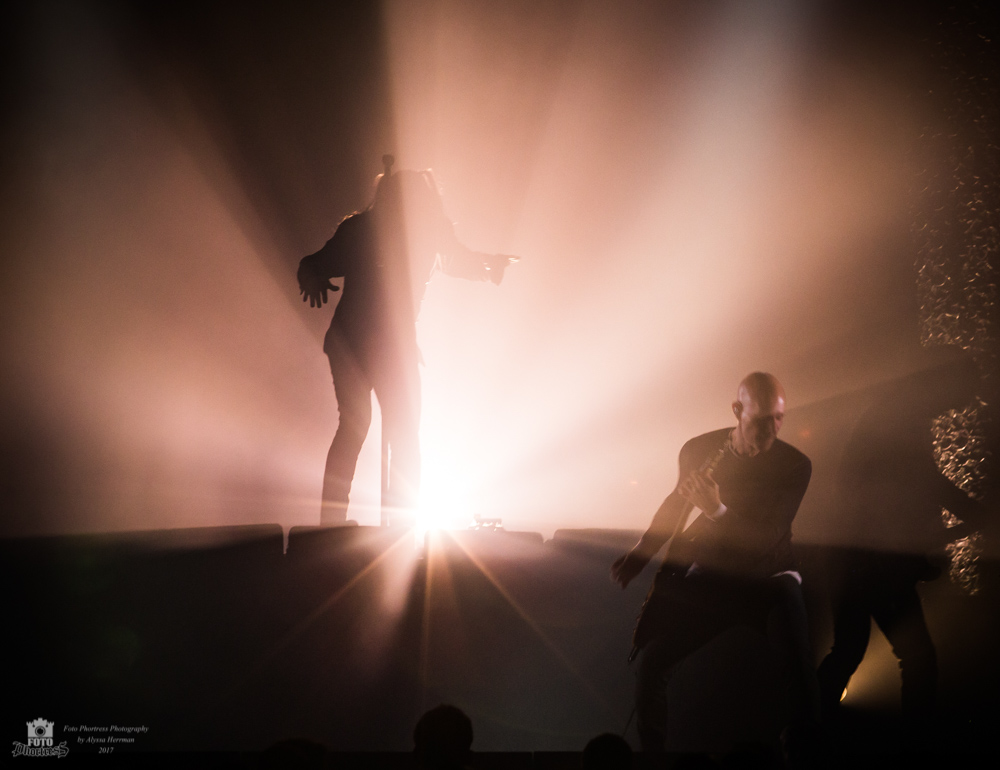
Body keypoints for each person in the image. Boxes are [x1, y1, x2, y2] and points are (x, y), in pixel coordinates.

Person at [298, 156, 516, 526]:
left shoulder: (416, 232)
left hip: (381, 345)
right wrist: (311, 276)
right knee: (375, 427)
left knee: (380, 428)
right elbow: (312, 263)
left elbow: (458, 260)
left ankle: (379, 524)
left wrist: (488, 265)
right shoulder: (367, 231)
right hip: (358, 343)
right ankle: (360, 524)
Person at [611, 373, 818, 754]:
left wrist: (716, 509)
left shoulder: (795, 465)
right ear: (737, 411)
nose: (771, 430)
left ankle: (802, 756)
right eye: (760, 421)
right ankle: (652, 762)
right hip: (716, 579)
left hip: (770, 579)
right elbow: (676, 506)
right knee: (653, 665)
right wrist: (641, 553)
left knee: (801, 679)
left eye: (778, 419)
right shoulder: (700, 449)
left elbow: (766, 537)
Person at [816, 350, 984, 728]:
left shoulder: (893, 411)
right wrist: (969, 514)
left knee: (848, 650)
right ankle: (914, 748)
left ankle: (803, 733)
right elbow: (925, 481)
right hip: (870, 560)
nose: (955, 406)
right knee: (916, 657)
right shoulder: (902, 419)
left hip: (852, 554)